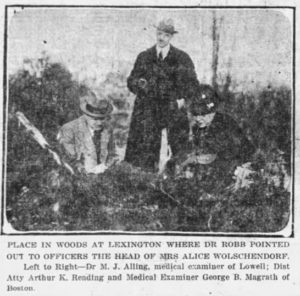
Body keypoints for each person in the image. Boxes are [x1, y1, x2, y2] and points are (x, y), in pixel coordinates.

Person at [124, 18, 199, 172]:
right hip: (146, 114)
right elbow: (131, 80)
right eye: (159, 33)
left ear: (171, 37)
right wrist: (139, 83)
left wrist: (182, 99)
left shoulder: (182, 58)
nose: (161, 38)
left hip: (172, 112)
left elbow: (193, 85)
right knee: (144, 157)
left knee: (174, 156)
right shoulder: (144, 56)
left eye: (165, 35)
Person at [167, 84, 255, 191]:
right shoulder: (199, 127)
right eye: (195, 114)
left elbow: (213, 156)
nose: (199, 118)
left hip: (236, 167)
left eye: (203, 114)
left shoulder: (223, 124)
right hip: (218, 168)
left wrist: (190, 161)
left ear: (212, 111)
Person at [57, 91, 119, 174]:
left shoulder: (108, 128)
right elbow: (67, 159)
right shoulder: (69, 129)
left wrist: (105, 166)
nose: (99, 123)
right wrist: (85, 172)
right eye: (95, 119)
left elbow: (113, 154)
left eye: (102, 118)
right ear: (86, 115)